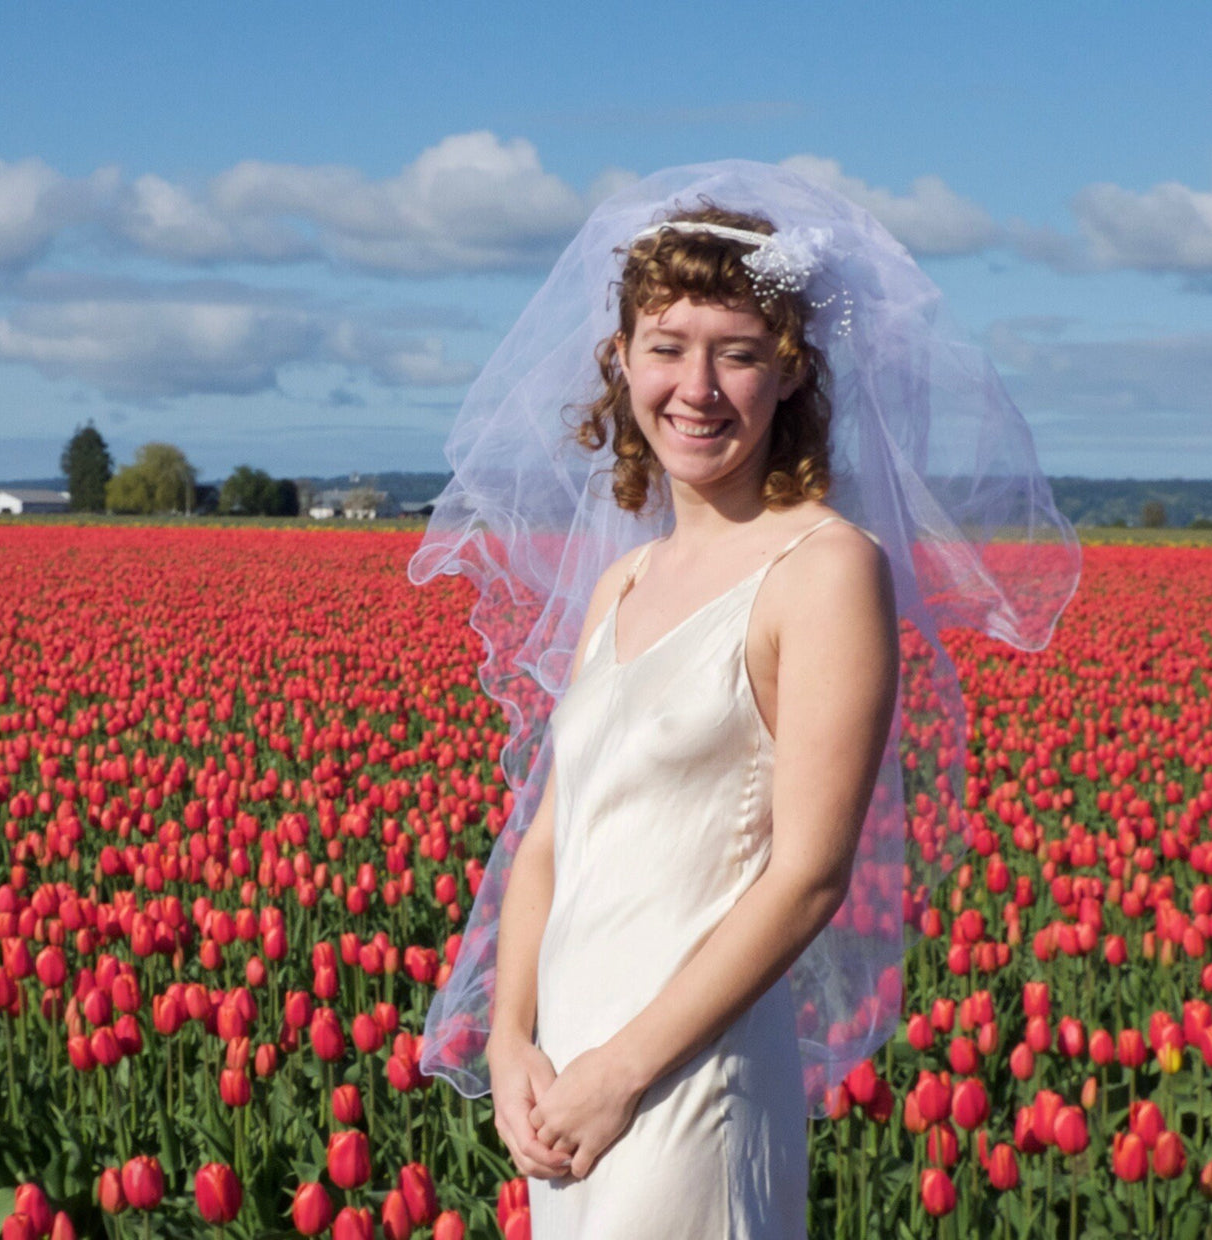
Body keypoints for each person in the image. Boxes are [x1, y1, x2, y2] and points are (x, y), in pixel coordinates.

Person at [410, 161, 1080, 1238]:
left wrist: (621, 1073)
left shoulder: (824, 568)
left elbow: (810, 874)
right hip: (565, 1076)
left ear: (789, 375)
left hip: (686, 1075)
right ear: (619, 363)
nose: (697, 387)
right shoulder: (622, 581)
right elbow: (546, 834)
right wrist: (509, 1040)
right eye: (667, 348)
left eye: (737, 354)